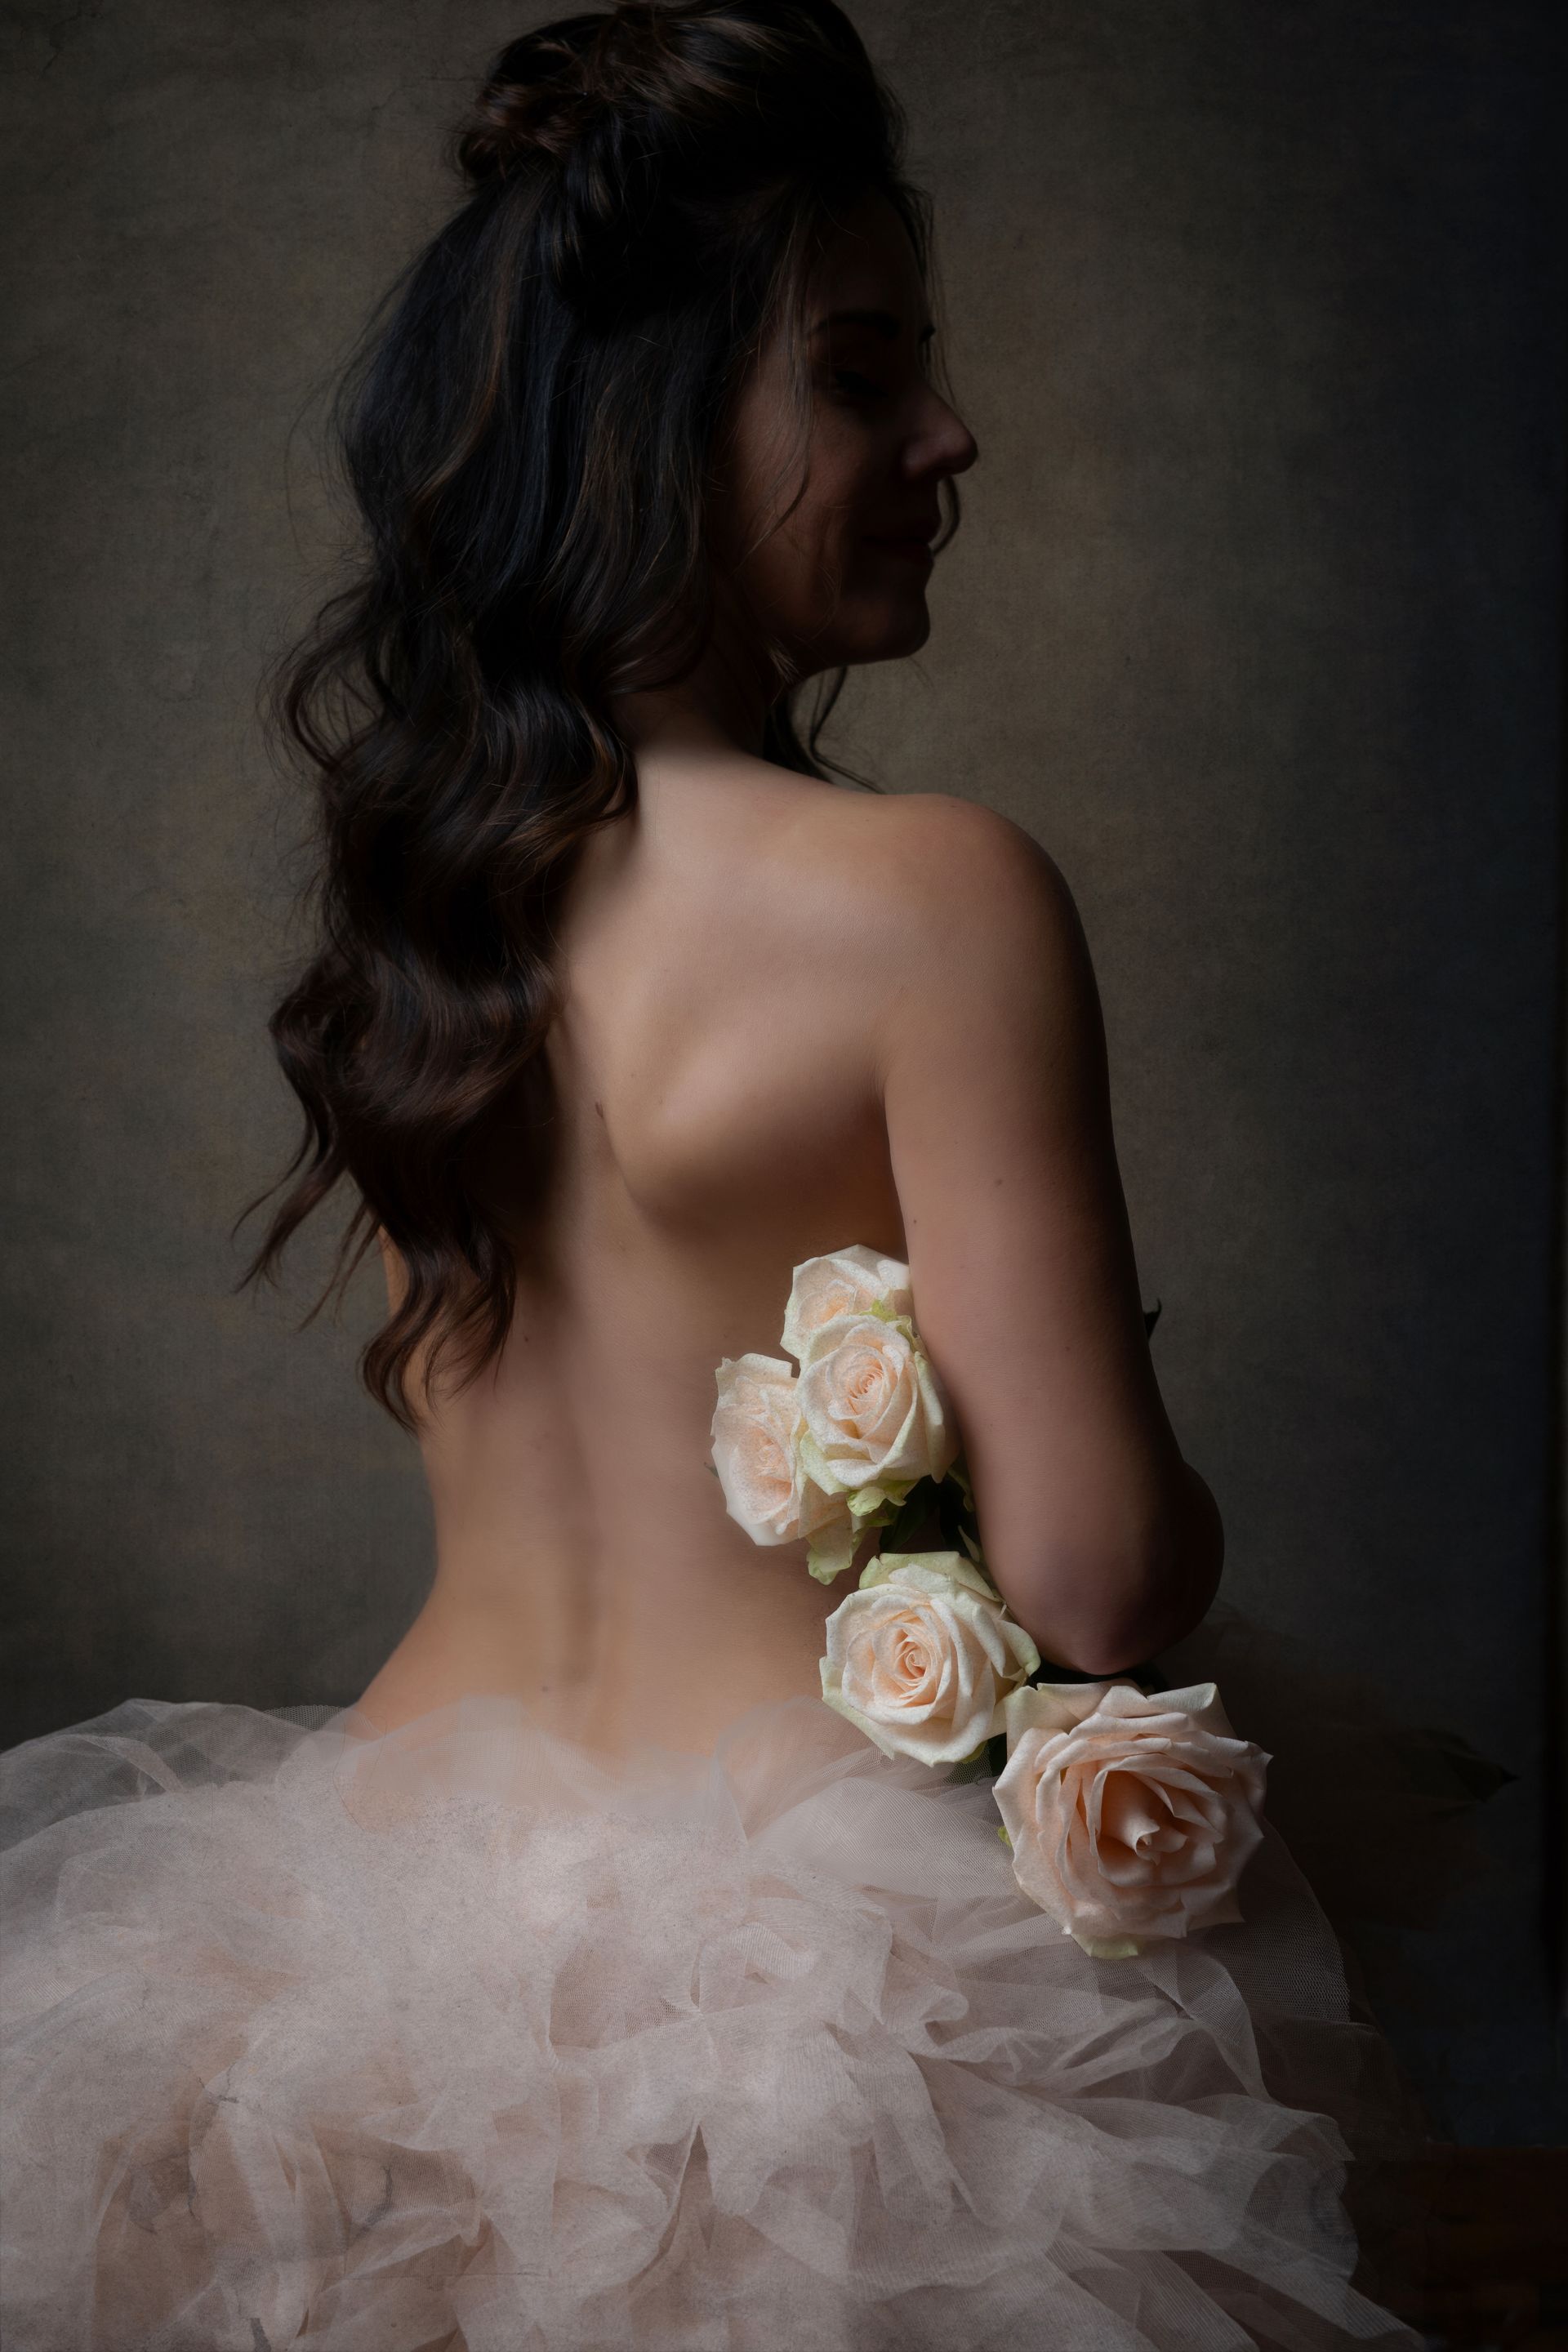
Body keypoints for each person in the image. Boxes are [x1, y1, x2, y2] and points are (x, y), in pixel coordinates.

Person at [1, 4, 1488, 2345]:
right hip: (833, 2010)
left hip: (376, 1945)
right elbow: (1099, 1584)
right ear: (657, 418)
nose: (947, 436)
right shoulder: (937, 896)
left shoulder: (430, 902)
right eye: (866, 375)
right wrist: (1084, 1433)